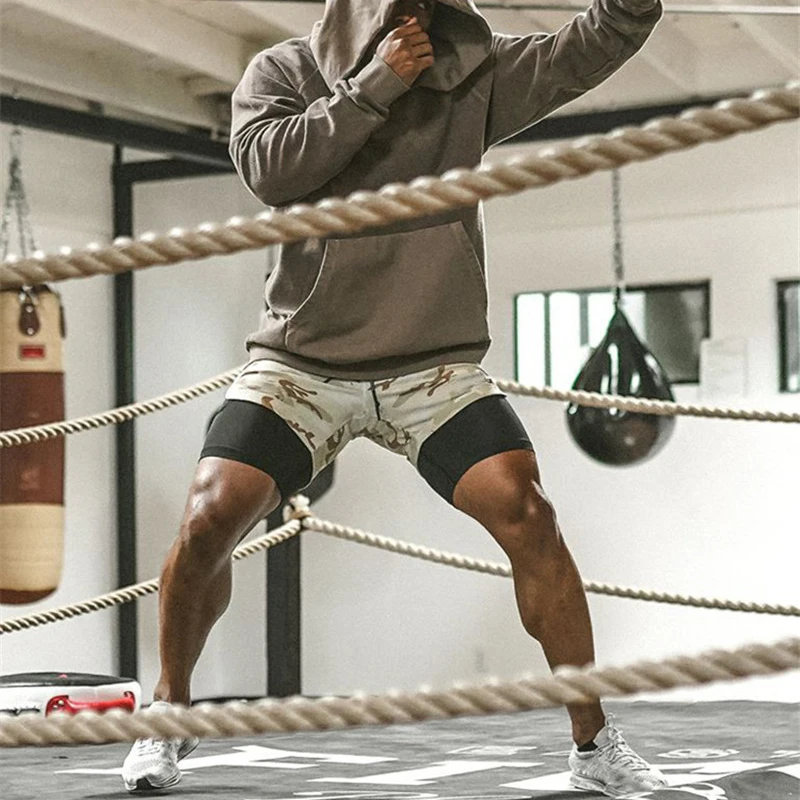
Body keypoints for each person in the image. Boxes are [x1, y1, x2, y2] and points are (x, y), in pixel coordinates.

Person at [122, 0, 668, 795]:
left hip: (432, 369)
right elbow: (272, 170)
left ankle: (594, 748)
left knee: (529, 513)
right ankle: (168, 718)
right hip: (302, 363)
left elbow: (593, 44)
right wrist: (374, 85)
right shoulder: (282, 71)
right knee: (210, 511)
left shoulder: (472, 74)